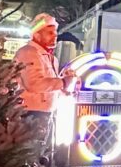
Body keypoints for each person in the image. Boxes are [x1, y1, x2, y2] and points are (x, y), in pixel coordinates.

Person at [13, 13, 75, 145]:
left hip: (44, 114)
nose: (55, 36)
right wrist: (63, 83)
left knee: (41, 155)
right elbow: (34, 84)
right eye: (50, 33)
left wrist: (64, 88)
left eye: (55, 33)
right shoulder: (28, 53)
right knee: (32, 154)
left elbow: (48, 87)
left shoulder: (50, 57)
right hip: (30, 114)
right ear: (36, 35)